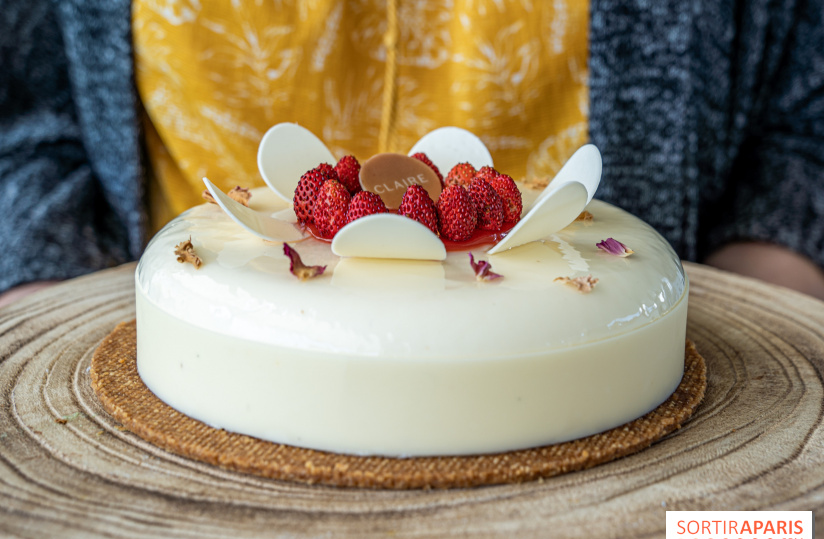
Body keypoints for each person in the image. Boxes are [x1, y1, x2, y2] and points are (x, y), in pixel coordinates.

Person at [2, 0, 823, 309]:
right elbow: (24, 110)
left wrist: (730, 329)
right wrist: (61, 321)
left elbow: (803, 115)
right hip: (197, 389)